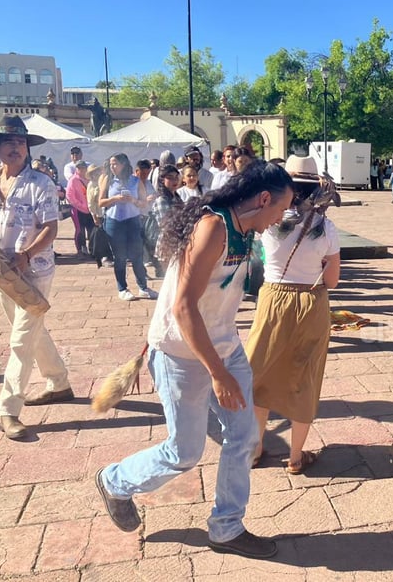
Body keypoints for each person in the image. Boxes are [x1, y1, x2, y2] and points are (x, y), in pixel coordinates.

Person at [95, 161, 294, 559]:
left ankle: (226, 527)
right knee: (184, 453)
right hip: (179, 352)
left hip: (225, 347)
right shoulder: (213, 228)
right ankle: (115, 481)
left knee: (244, 436)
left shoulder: (243, 231)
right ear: (264, 198)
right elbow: (184, 308)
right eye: (280, 209)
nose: (279, 219)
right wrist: (218, 374)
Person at [0, 115, 74, 439]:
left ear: (28, 148)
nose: (15, 147)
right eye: (9, 142)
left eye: (21, 142)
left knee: (20, 339)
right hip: (1, 272)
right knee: (31, 333)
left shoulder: (40, 183)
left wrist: (26, 255)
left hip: (35, 270)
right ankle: (59, 383)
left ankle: (8, 409)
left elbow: (51, 227)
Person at [247, 155, 340, 475]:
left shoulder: (269, 222)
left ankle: (256, 449)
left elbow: (260, 261)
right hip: (311, 302)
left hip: (272, 300)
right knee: (305, 380)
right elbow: (332, 280)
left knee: (259, 376)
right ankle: (296, 458)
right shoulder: (326, 227)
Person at [98, 153, 157, 301]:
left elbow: (144, 203)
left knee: (137, 255)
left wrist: (133, 200)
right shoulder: (108, 180)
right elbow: (100, 202)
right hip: (114, 221)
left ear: (124, 164)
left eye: (115, 164)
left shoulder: (135, 181)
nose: (112, 167)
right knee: (120, 257)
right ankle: (122, 288)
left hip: (132, 220)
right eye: (111, 164)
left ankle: (143, 287)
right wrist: (115, 199)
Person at [64, 159, 94, 257]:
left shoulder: (89, 178)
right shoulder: (73, 180)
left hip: (89, 209)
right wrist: (80, 205)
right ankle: (80, 250)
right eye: (79, 168)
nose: (82, 170)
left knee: (91, 229)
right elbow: (69, 195)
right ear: (77, 169)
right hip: (78, 210)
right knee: (80, 230)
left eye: (83, 168)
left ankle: (91, 249)